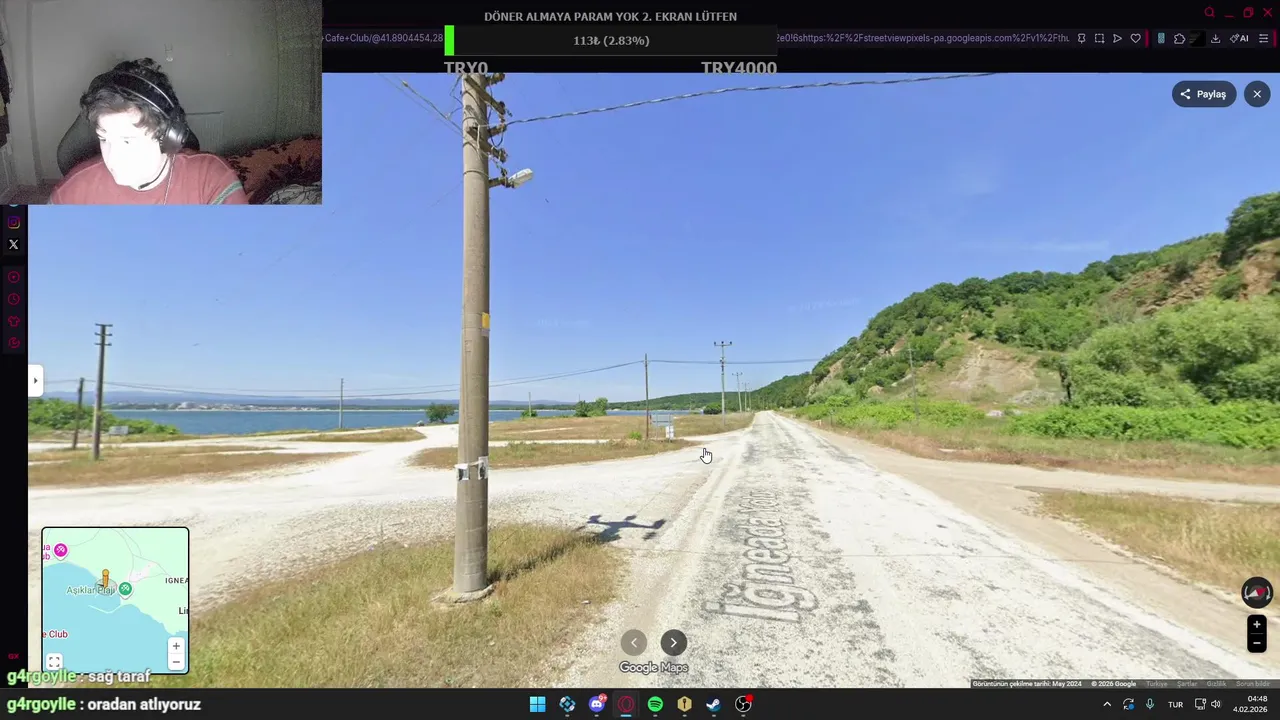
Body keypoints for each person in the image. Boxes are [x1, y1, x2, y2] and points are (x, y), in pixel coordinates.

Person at [49, 59, 246, 205]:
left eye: (127, 141)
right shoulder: (72, 192)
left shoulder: (211, 180)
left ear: (166, 136)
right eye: (104, 138)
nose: (113, 158)